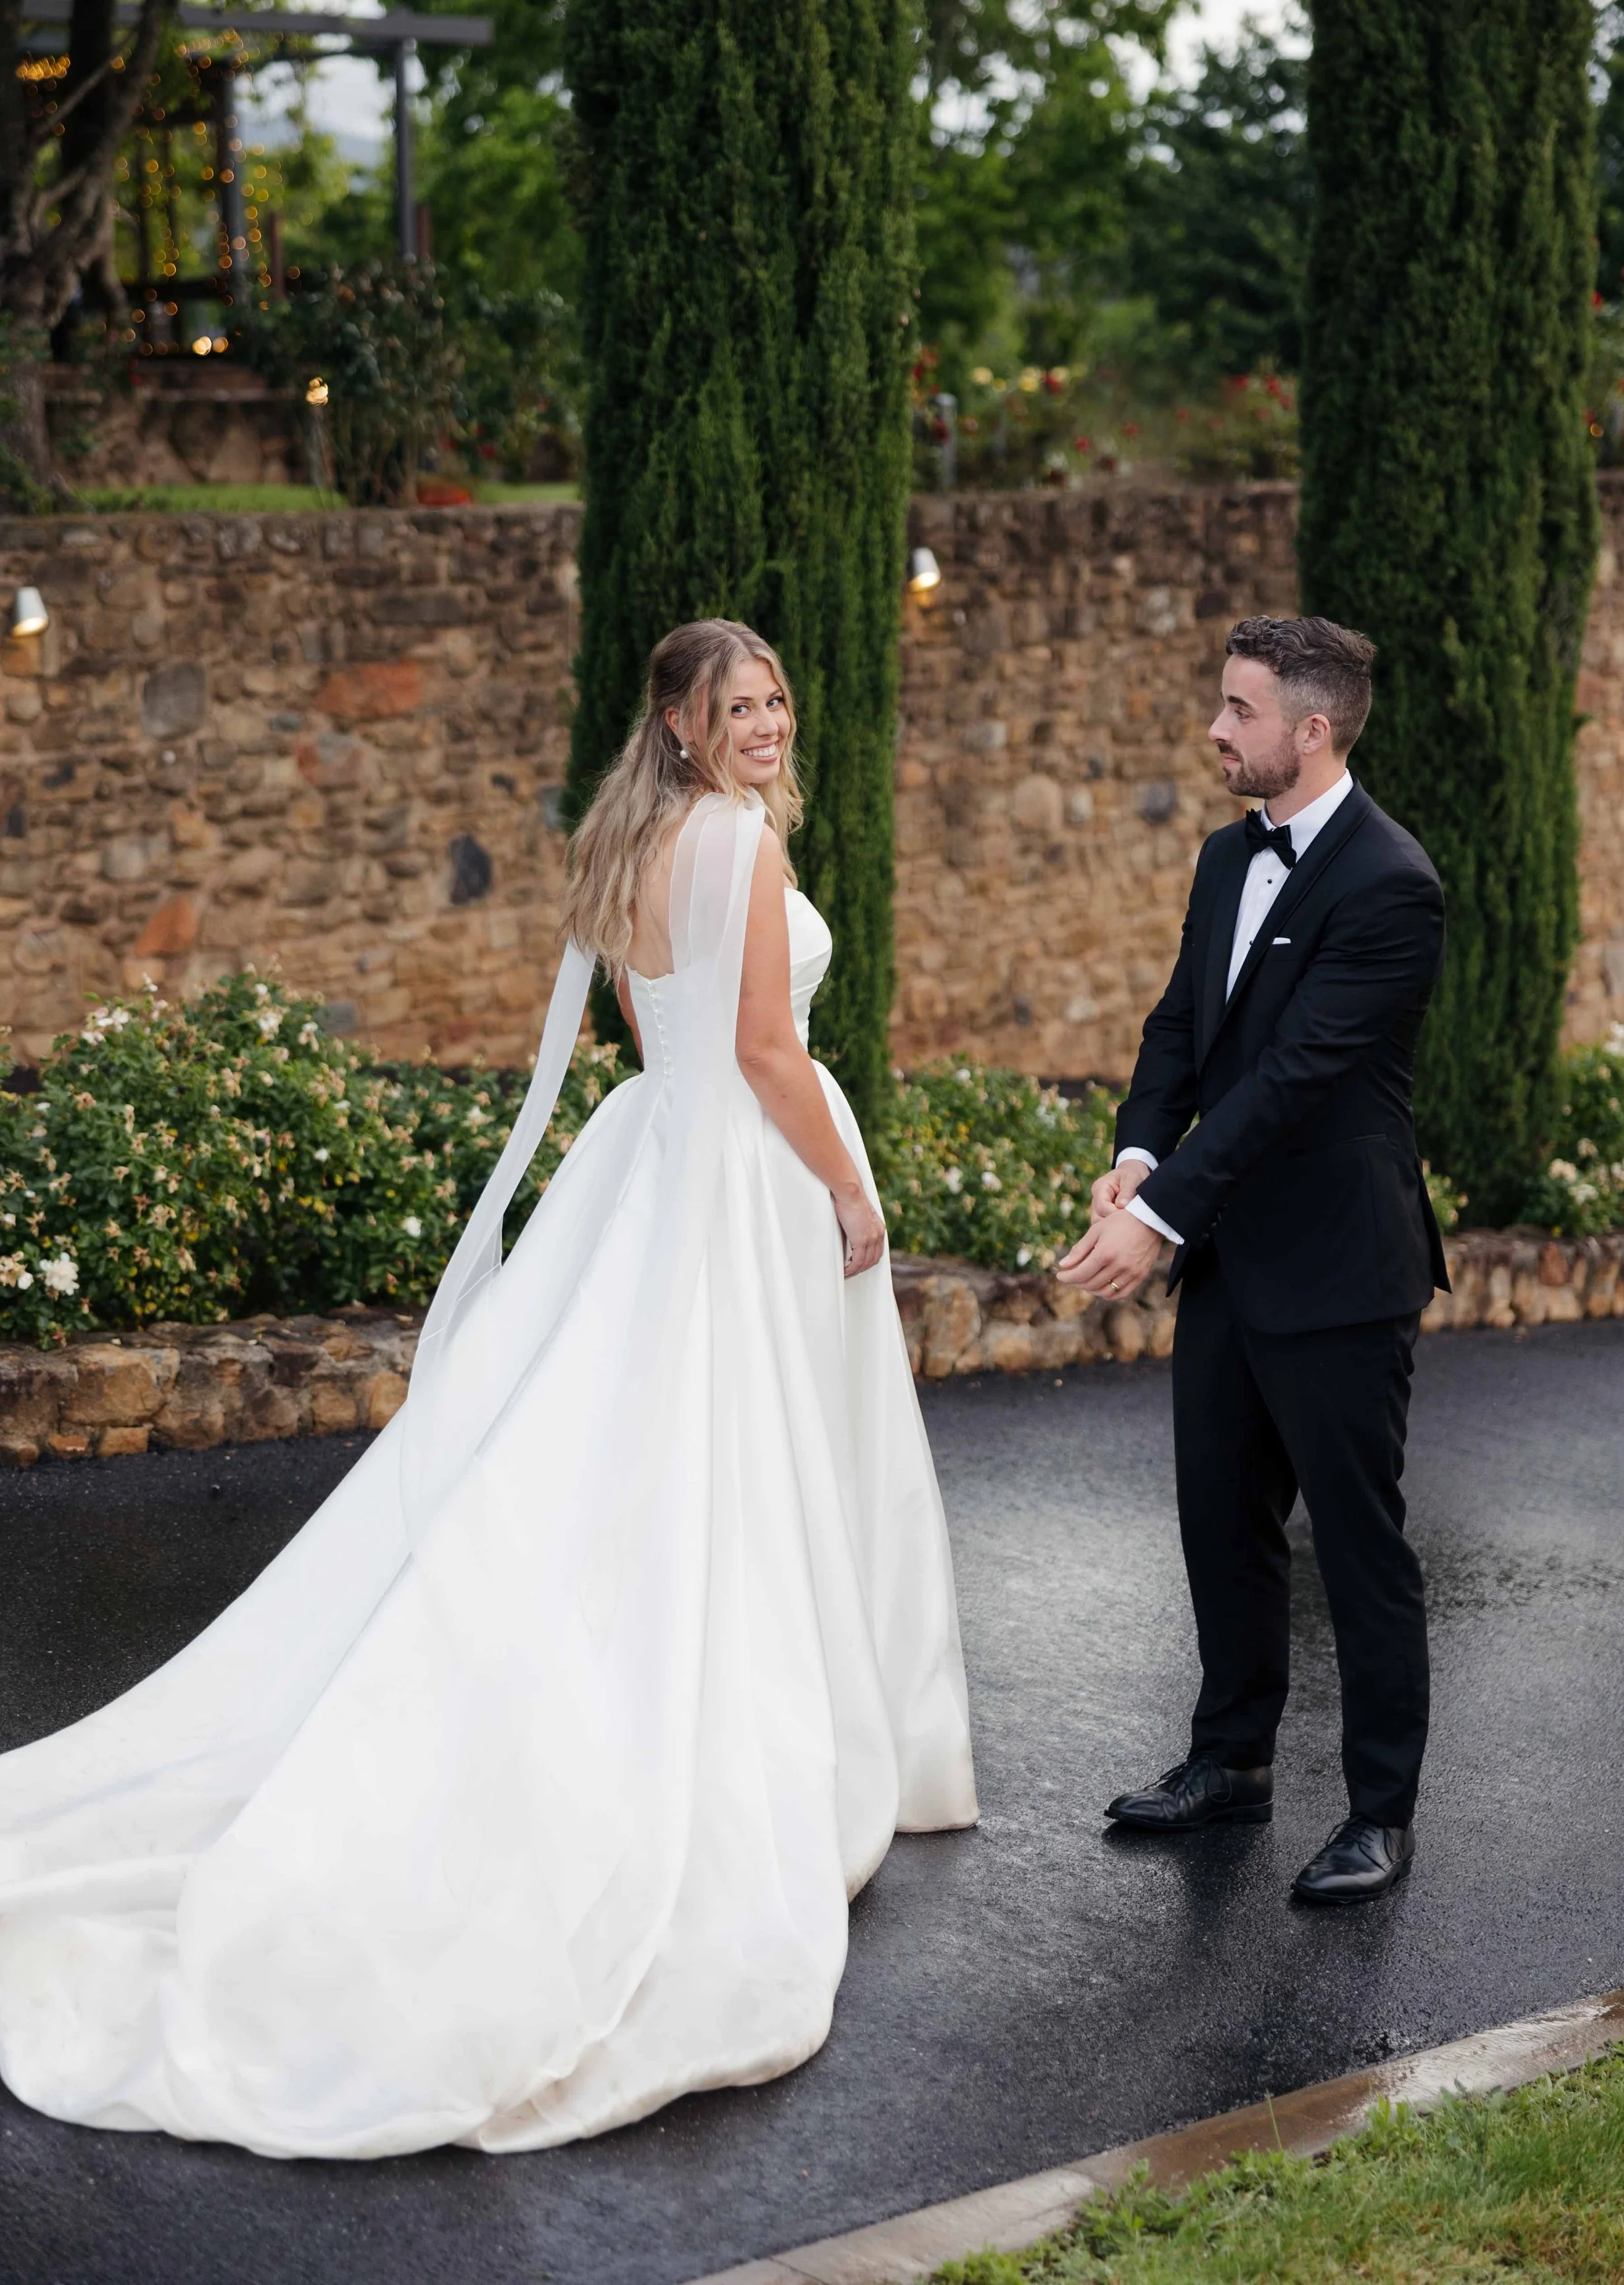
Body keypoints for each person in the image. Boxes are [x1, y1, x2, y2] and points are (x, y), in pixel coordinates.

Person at [0, 617, 977, 2158]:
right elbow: (769, 1052)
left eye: (779, 697)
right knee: (731, 1456)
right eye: (740, 705)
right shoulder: (735, 847)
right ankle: (768, 1713)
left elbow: (661, 1038)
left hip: (654, 1155)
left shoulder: (632, 842)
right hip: (740, 1167)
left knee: (625, 1449)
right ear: (678, 724)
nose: (769, 724)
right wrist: (851, 1191)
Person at [1059, 615, 1447, 1906]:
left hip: (1339, 1268)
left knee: (1355, 1546)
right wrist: (1133, 1149)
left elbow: (1291, 1081)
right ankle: (1228, 1765)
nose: (1216, 731)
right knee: (1220, 1525)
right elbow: (1186, 1025)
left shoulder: (1391, 883)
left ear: (1310, 731)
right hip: (1228, 1256)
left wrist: (1156, 1216)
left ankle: (1378, 1815)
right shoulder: (1227, 855)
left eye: (1236, 710)